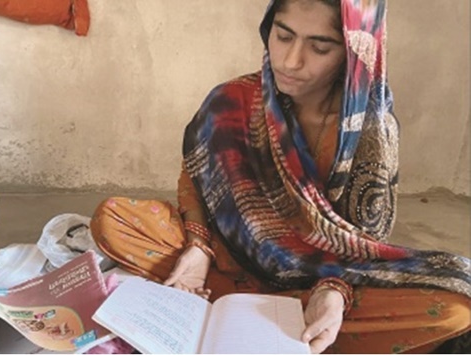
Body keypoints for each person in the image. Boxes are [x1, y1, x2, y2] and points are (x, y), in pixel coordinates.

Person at [90, 0, 471, 353]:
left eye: (320, 47)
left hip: (316, 275)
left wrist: (334, 291)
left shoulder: (369, 128)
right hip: (227, 255)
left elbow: (363, 244)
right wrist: (197, 250)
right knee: (115, 220)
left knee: (455, 308)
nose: (290, 60)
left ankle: (260, 310)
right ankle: (270, 315)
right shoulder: (233, 100)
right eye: (283, 35)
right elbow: (196, 181)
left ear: (354, 52)